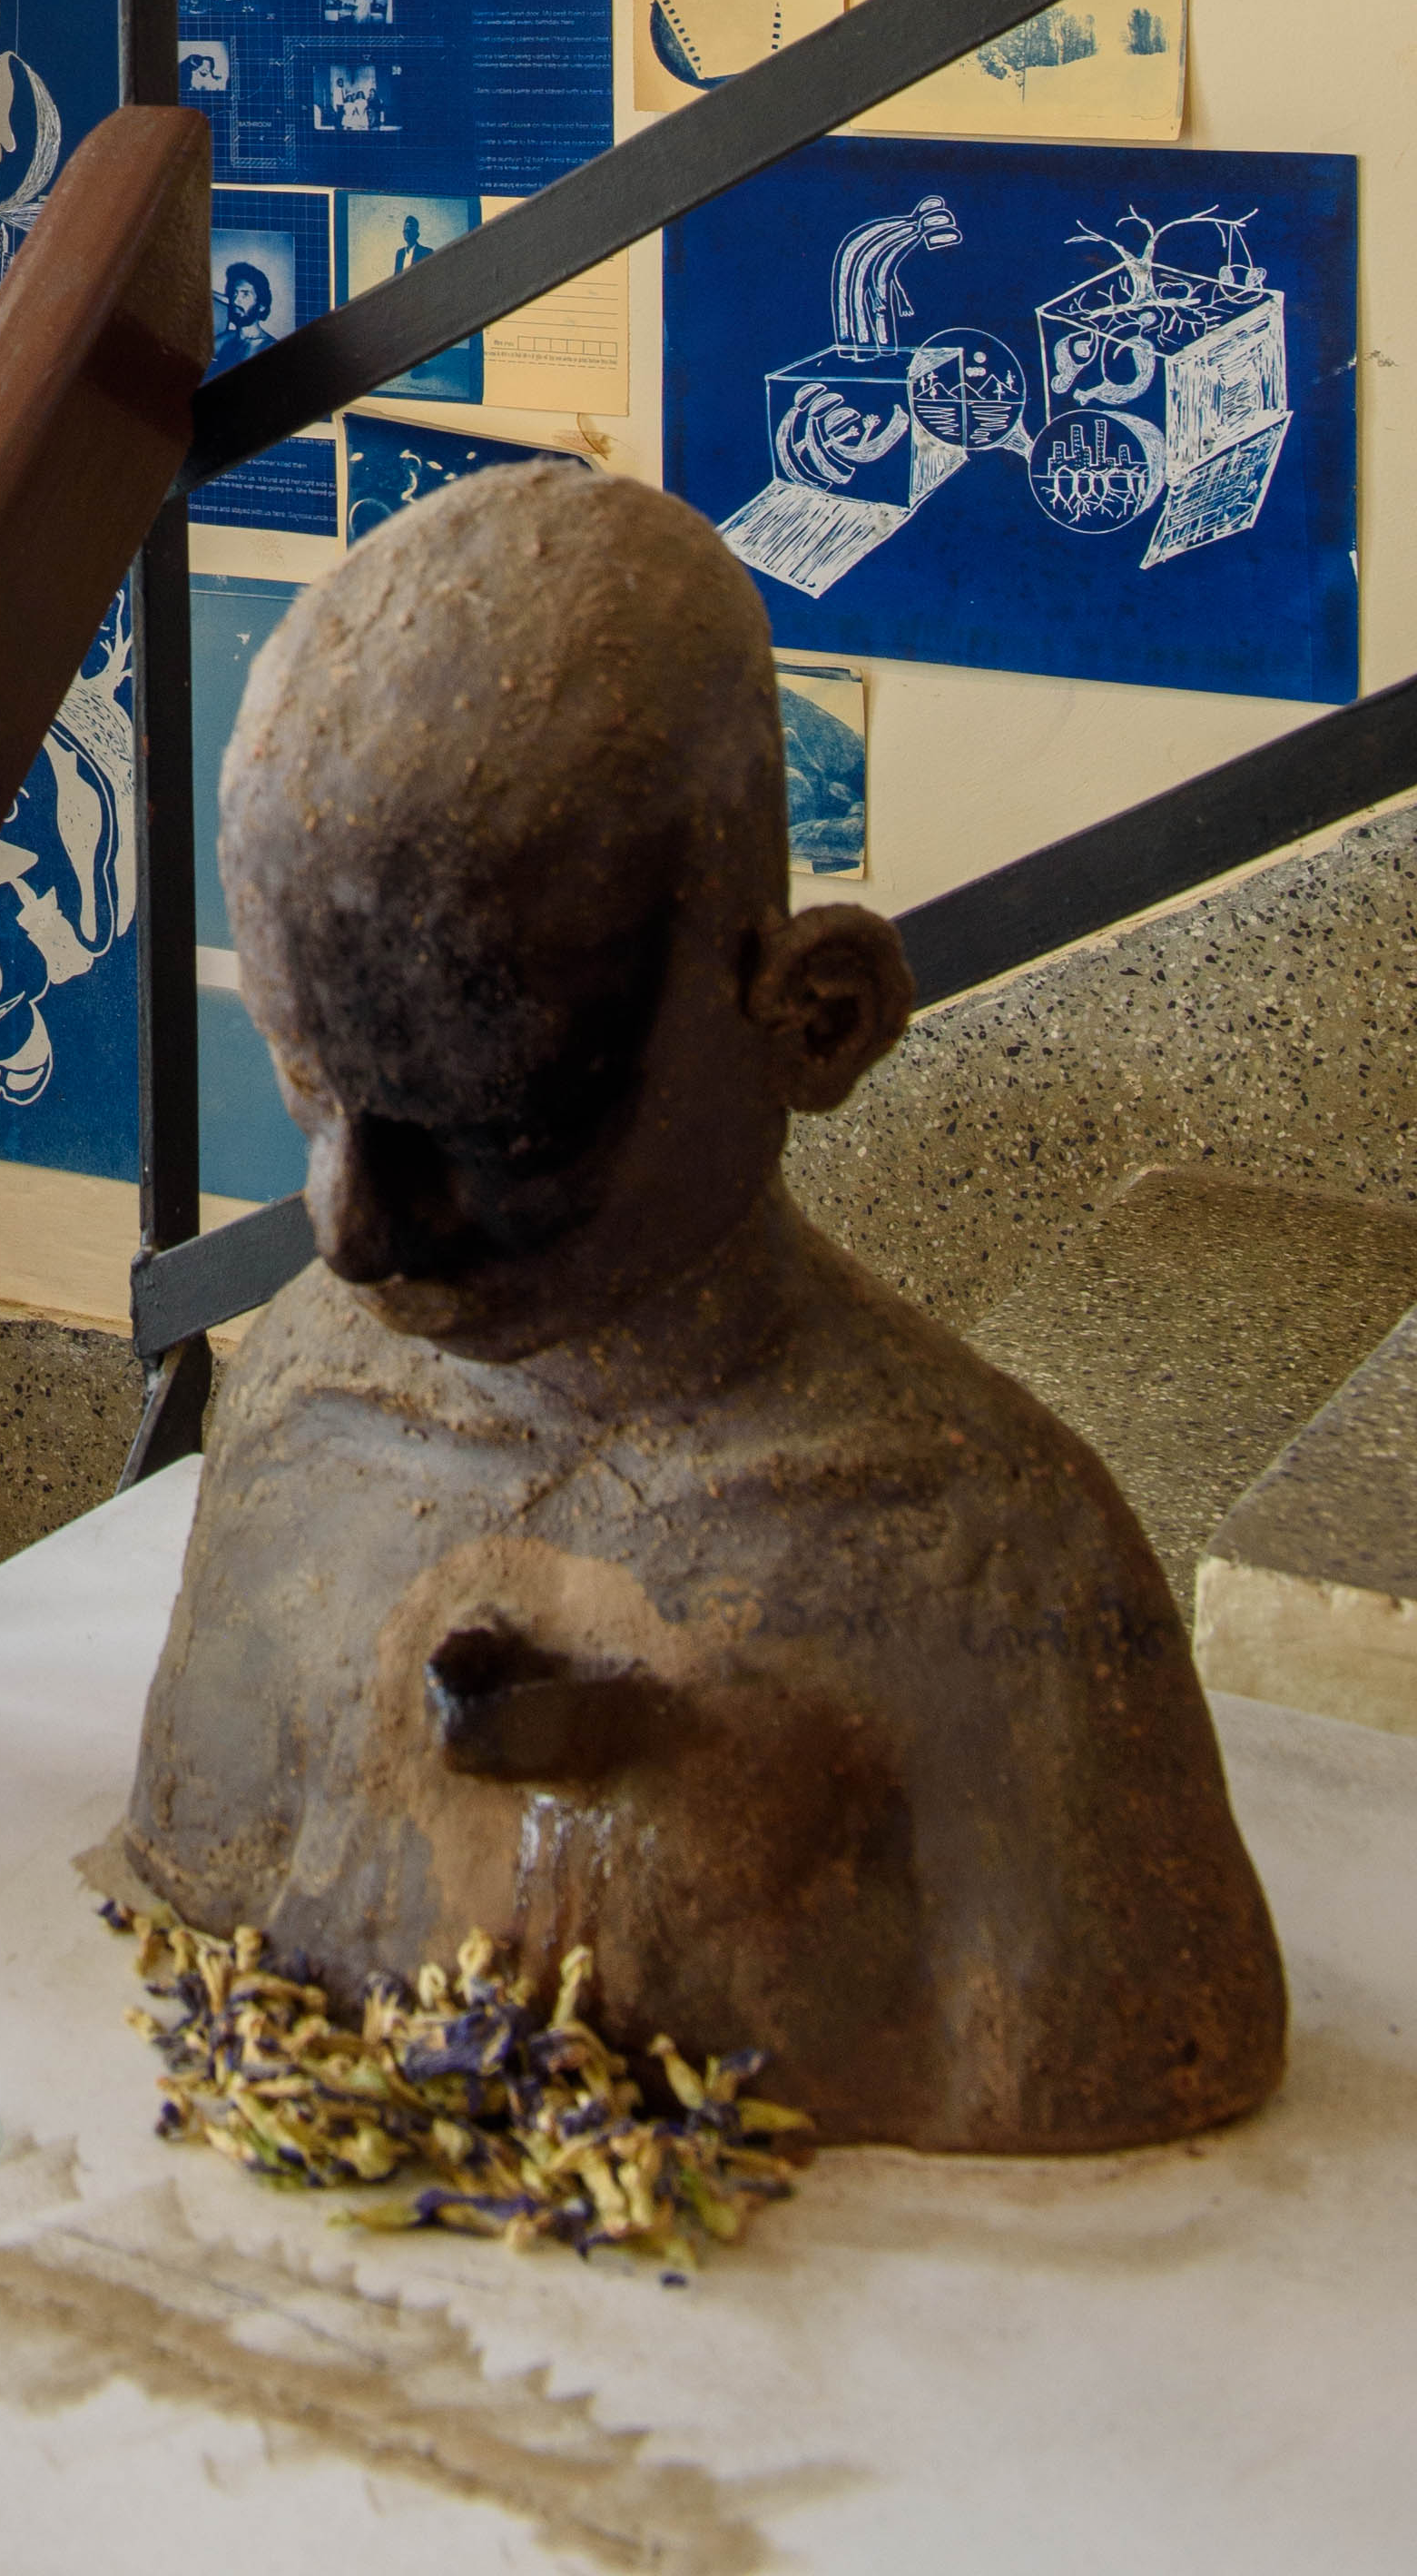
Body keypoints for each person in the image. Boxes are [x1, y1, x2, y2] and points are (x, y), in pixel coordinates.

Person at [120, 470, 1284, 2150]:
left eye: (496, 1129)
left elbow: (1124, 2050)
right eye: (313, 1098)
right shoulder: (304, 1408)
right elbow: (195, 1892)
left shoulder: (991, 1561)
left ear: (817, 1020)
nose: (355, 1234)